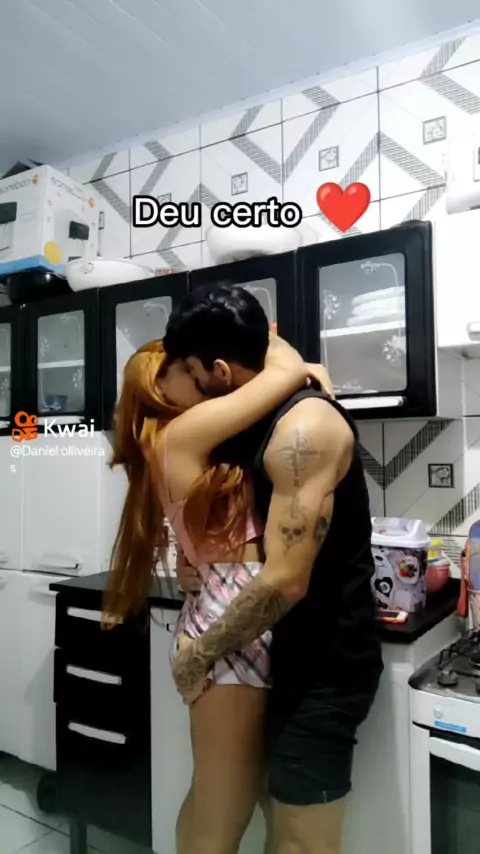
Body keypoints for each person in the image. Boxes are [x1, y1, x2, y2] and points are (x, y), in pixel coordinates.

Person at [164, 284, 384, 854]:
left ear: (218, 370)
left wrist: (199, 652)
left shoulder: (303, 431)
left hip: (322, 665)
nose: (192, 391)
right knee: (242, 806)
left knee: (298, 841)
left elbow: (286, 579)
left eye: (192, 373)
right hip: (272, 651)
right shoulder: (259, 413)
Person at [103, 324, 331, 854]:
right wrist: (270, 342)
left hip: (231, 607)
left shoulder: (191, 438)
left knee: (225, 799)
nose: (201, 374)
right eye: (186, 368)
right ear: (160, 386)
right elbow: (285, 370)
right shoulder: (181, 433)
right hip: (231, 619)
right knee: (223, 810)